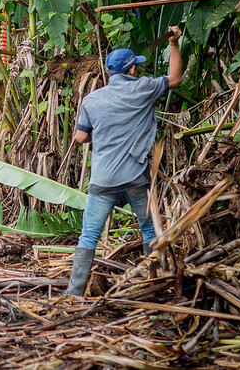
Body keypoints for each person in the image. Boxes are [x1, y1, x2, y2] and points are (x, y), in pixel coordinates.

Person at [65, 26, 183, 297]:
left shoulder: (92, 100)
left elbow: (81, 137)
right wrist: (174, 44)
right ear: (132, 70)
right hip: (134, 177)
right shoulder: (144, 89)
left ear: (110, 72)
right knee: (148, 229)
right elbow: (175, 78)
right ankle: (155, 287)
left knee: (89, 235)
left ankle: (73, 294)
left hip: (102, 179)